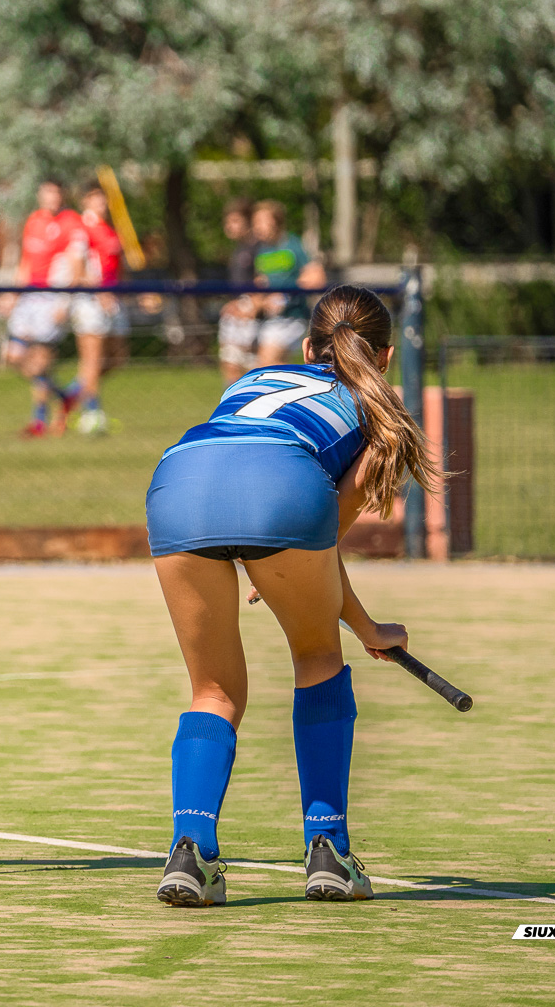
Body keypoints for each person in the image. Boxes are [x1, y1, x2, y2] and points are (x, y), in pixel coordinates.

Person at [144, 285, 434, 907]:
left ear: (307, 347)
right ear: (383, 357)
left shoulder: (254, 378)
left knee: (213, 690)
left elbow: (246, 462)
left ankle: (189, 853)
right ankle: (328, 851)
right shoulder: (380, 406)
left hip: (178, 479)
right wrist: (366, 627)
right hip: (285, 491)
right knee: (317, 659)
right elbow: (326, 528)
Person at [0, 179, 80, 437]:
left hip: (52, 297)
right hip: (29, 297)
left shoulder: (71, 223)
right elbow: (26, 261)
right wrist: (12, 294)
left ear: (63, 195)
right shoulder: (34, 220)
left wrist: (65, 300)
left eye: (56, 193)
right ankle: (63, 395)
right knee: (12, 355)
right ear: (40, 195)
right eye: (48, 193)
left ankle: (39, 421)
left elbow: (75, 265)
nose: (52, 198)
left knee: (41, 362)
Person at [61, 183, 129, 436]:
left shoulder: (109, 229)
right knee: (92, 361)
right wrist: (99, 292)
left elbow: (117, 267)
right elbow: (77, 269)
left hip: (113, 300)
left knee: (117, 358)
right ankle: (91, 413)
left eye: (103, 198)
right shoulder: (82, 229)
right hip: (91, 302)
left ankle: (69, 394)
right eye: (95, 198)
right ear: (85, 201)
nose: (101, 202)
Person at [250, 200, 327, 366]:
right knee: (265, 364)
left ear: (276, 221)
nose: (257, 226)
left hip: (293, 316)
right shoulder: (261, 250)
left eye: (262, 221)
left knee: (266, 362)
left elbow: (316, 277)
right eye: (255, 222)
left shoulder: (293, 245)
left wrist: (285, 295)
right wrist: (260, 302)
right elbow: (260, 284)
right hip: (269, 319)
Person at [217, 200, 261, 385]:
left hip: (248, 311)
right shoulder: (238, 249)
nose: (229, 226)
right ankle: (234, 401)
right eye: (227, 222)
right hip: (236, 308)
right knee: (230, 358)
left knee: (249, 361)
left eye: (235, 221)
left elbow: (263, 280)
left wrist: (248, 304)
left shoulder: (257, 247)